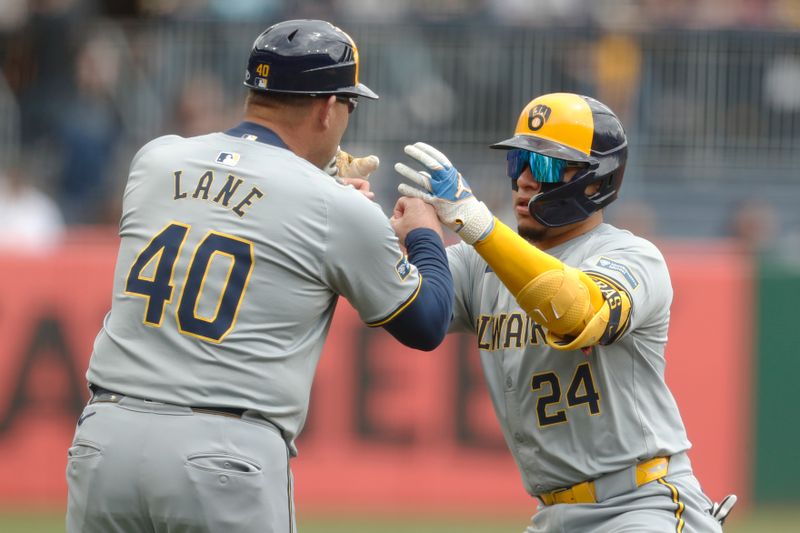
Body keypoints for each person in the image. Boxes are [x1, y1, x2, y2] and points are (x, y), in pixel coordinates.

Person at [66, 20, 453, 533]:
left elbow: (233, 202)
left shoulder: (154, 159)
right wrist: (424, 235)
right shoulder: (334, 208)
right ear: (326, 108)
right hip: (222, 452)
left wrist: (322, 194)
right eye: (350, 105)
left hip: (104, 439)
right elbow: (427, 323)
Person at [393, 92, 736, 532]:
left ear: (596, 181)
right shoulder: (483, 262)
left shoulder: (632, 256)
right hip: (552, 514)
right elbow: (411, 310)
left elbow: (578, 314)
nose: (525, 180)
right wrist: (360, 216)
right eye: (518, 162)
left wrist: (480, 227)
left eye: (546, 165)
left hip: (639, 503)